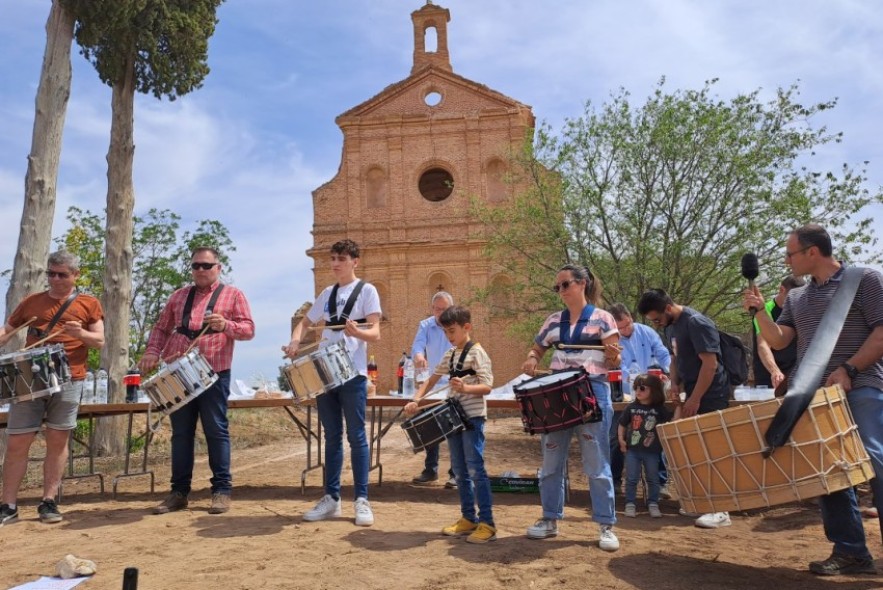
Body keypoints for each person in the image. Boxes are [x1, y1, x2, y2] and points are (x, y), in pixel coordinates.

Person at [744, 223, 883, 576]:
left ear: (812, 252)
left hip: (862, 385)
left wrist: (849, 369)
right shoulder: (798, 297)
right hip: (816, 396)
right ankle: (851, 551)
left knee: (877, 462)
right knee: (827, 474)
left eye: (790, 253)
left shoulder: (864, 280)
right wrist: (760, 313)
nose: (787, 260)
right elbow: (779, 340)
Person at [141, 247, 255, 516]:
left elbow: (249, 330)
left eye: (206, 265)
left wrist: (226, 325)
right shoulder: (179, 296)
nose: (200, 270)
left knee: (216, 430)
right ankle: (178, 493)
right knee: (181, 434)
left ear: (219, 267)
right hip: (178, 369)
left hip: (214, 371)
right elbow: (160, 327)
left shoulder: (233, 295)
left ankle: (222, 491)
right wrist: (151, 352)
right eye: (196, 266)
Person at [521, 264, 622, 552]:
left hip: (592, 394)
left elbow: (614, 361)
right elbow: (538, 347)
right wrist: (531, 358)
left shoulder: (604, 319)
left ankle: (606, 524)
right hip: (557, 397)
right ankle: (549, 519)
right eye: (558, 287)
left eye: (565, 284)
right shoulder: (554, 321)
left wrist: (614, 357)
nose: (561, 291)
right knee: (551, 463)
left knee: (596, 463)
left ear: (582, 283)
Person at [0, 250, 104, 525]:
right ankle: (8, 505)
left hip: (71, 378)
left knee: (57, 442)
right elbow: (7, 329)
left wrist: (80, 334)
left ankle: (48, 502)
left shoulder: (89, 304)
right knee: (17, 441)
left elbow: (100, 341)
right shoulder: (31, 302)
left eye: (62, 274)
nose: (55, 279)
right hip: (29, 377)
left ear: (75, 275)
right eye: (51, 273)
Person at [283, 239, 381, 527]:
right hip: (326, 374)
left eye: (341, 258)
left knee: (357, 437)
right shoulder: (327, 293)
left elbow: (375, 332)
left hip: (353, 374)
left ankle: (362, 500)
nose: (335, 263)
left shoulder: (367, 291)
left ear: (355, 261)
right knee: (332, 437)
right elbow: (304, 323)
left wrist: (357, 333)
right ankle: (332, 499)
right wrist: (295, 341)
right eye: (333, 258)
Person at [636, 287, 732, 529]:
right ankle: (702, 502)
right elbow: (674, 359)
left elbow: (710, 365)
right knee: (694, 450)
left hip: (712, 393)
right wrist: (675, 384)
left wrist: (696, 398)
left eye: (657, 319)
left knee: (713, 449)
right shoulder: (670, 327)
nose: (657, 325)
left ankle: (721, 508)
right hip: (690, 390)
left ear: (668, 308)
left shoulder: (697, 323)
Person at [404, 305, 496, 543]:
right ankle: (468, 518)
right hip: (454, 419)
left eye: (452, 331)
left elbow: (487, 387)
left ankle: (487, 523)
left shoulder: (477, 353)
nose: (449, 336)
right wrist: (416, 400)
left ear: (467, 327)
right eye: (446, 332)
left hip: (473, 418)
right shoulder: (451, 354)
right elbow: (431, 380)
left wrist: (465, 388)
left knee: (476, 469)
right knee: (460, 470)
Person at [606, 303, 672, 495]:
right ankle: (615, 480)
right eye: (620, 328)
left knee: (656, 435)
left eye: (627, 325)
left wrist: (667, 371)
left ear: (631, 318)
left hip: (652, 393)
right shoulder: (610, 340)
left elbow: (663, 354)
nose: (625, 330)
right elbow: (614, 366)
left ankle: (660, 483)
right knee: (615, 437)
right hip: (623, 394)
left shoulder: (648, 332)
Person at [410, 291, 457, 488]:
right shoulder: (425, 325)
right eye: (436, 309)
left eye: (443, 309)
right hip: (431, 384)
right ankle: (431, 470)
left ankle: (456, 473)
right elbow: (417, 347)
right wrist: (419, 357)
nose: (439, 313)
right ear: (432, 309)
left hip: (452, 383)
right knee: (430, 427)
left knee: (455, 429)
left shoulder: (456, 326)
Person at [617, 373, 676, 518]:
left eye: (642, 388)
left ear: (654, 390)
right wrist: (621, 440)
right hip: (633, 450)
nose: (638, 391)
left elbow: (672, 422)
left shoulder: (659, 409)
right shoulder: (631, 407)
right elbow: (622, 424)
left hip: (653, 451)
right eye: (636, 388)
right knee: (631, 478)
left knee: (653, 478)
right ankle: (630, 503)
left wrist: (679, 406)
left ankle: (653, 503)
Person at [752, 275, 805, 390]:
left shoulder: (801, 309)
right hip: (769, 374)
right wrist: (775, 371)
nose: (796, 300)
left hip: (795, 372)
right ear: (782, 290)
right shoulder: (764, 311)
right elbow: (763, 345)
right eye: (793, 296)